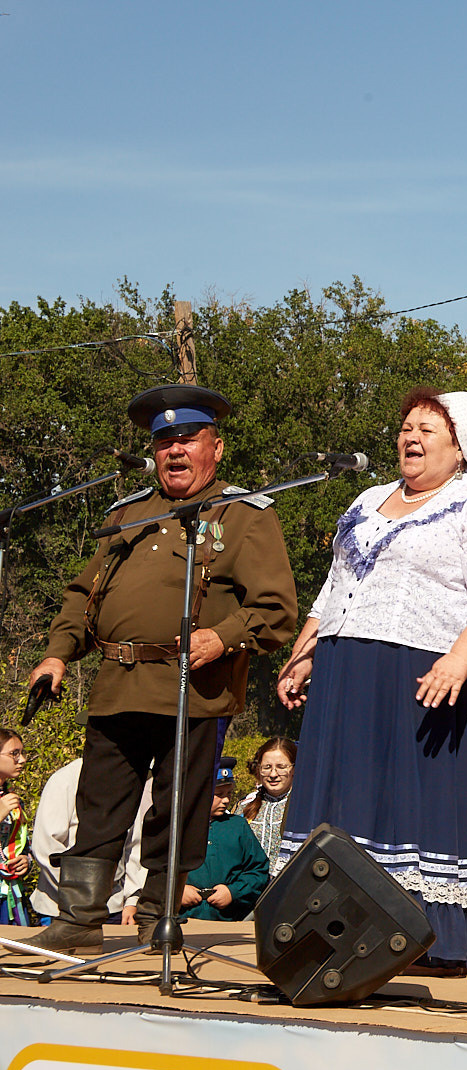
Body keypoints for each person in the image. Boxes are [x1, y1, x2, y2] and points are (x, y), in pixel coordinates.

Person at [23, 385, 297, 952]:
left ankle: (157, 917)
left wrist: (220, 638)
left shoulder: (242, 515)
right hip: (117, 686)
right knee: (97, 809)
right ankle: (78, 919)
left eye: (187, 439)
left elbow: (276, 612)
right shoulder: (127, 515)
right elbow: (83, 596)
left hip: (191, 692)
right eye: (163, 440)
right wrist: (56, 652)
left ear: (215, 449)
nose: (174, 450)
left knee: (178, 811)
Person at [278, 389, 467, 972]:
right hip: (350, 674)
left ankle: (430, 939)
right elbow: (335, 587)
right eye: (405, 427)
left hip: (426, 676)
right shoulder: (369, 499)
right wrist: (304, 654)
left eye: (427, 430)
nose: (409, 438)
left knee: (416, 812)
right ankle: (338, 930)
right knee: (350, 806)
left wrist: (461, 659)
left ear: (463, 448)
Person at [26, 759, 148, 928]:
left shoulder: (127, 782)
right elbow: (46, 847)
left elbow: (134, 846)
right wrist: (78, 897)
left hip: (113, 907)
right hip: (60, 907)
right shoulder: (65, 779)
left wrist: (132, 898)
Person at [177, 763, 271, 922]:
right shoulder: (178, 827)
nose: (226, 799)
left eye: (229, 793)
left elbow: (259, 870)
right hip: (183, 918)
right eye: (219, 794)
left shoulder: (238, 826)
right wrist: (177, 892)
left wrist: (233, 892)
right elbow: (158, 870)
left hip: (230, 919)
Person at [235, 737, 295, 866]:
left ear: (293, 769)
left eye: (281, 767)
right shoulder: (243, 807)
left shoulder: (303, 809)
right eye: (267, 767)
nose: (273, 774)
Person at [0, 730, 29, 927]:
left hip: (10, 892)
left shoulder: (12, 799)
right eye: (14, 754)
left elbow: (24, 842)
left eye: (22, 753)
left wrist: (26, 860)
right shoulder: (6, 803)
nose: (23, 759)